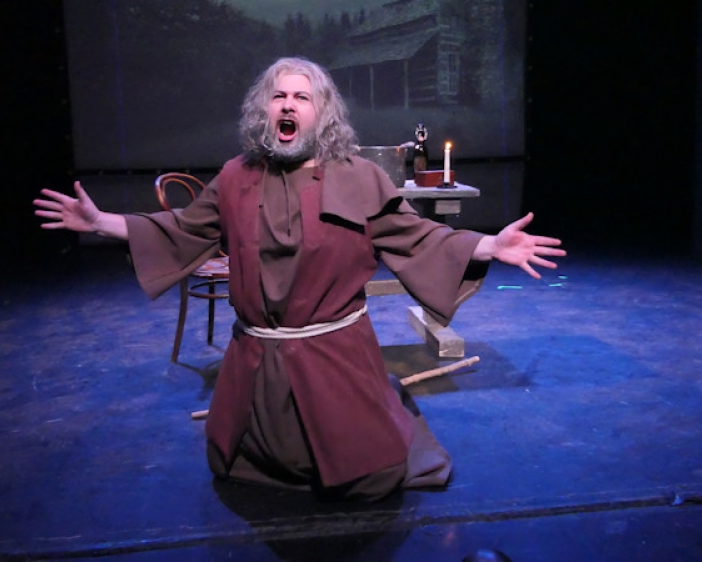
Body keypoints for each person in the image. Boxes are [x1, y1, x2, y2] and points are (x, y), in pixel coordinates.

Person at [33, 57, 566, 502]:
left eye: (302, 97)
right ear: (264, 110)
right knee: (238, 467)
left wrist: (489, 245)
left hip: (336, 360)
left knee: (369, 476)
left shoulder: (359, 178)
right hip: (260, 363)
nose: (288, 105)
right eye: (279, 96)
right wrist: (100, 223)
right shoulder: (236, 177)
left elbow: (418, 237)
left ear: (322, 113)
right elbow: (180, 229)